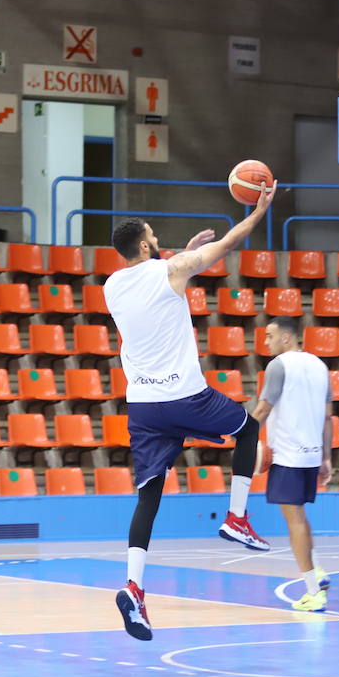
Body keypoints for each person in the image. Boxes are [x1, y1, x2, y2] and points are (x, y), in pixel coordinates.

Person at [105, 182, 276, 640]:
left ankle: (134, 588)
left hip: (142, 407)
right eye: (153, 236)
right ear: (144, 244)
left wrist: (182, 255)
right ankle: (237, 519)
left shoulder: (112, 286)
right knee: (248, 428)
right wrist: (258, 212)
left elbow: (160, 275)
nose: (158, 241)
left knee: (149, 496)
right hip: (182, 395)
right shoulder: (170, 270)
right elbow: (228, 243)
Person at [252, 315, 333, 611]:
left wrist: (241, 438)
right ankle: (319, 571)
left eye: (269, 335)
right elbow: (327, 417)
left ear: (287, 338)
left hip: (288, 455)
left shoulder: (278, 365)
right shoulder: (320, 366)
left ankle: (313, 593)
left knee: (294, 521)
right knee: (299, 517)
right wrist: (326, 457)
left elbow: (262, 409)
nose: (266, 341)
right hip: (311, 455)